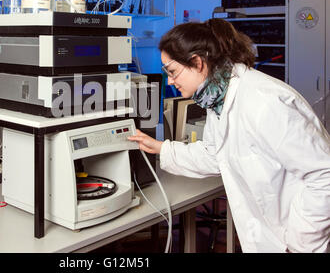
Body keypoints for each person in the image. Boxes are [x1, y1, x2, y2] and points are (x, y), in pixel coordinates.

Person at [128, 18, 330, 253]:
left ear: (197, 62)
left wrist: (300, 243)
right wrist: (161, 148)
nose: (170, 81)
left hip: (295, 244)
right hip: (267, 239)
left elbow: (324, 175)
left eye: (172, 71)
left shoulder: (266, 101)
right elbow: (214, 154)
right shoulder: (218, 100)